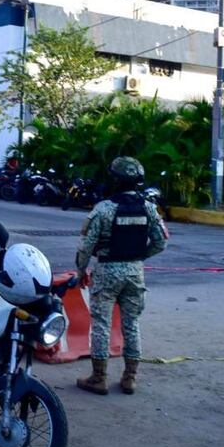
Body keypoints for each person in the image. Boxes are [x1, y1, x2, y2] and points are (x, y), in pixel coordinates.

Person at [75, 157, 168, 396]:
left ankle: (99, 378)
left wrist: (80, 271)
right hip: (135, 272)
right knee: (132, 324)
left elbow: (86, 247)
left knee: (101, 325)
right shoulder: (149, 208)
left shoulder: (103, 209)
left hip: (106, 271)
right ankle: (129, 378)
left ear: (115, 180)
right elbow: (161, 242)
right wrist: (138, 257)